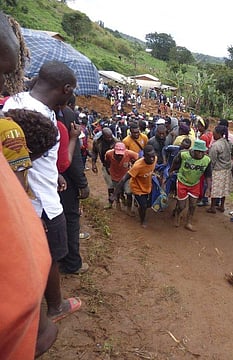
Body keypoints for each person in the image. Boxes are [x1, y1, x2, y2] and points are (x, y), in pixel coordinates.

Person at [4, 60, 83, 325]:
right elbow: (38, 156)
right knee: (49, 257)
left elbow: (28, 154)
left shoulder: (15, 102)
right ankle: (53, 307)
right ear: (66, 88)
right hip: (41, 202)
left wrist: (55, 174)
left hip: (23, 193)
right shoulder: (41, 118)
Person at [56, 102, 91, 275]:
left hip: (46, 177)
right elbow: (71, 157)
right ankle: (72, 263)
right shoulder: (67, 115)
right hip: (64, 178)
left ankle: (60, 258)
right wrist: (82, 184)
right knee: (70, 218)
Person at [170, 139, 212, 231]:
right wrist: (171, 171)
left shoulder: (207, 160)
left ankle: (188, 222)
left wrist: (208, 188)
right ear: (194, 150)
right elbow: (175, 163)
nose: (200, 154)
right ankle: (177, 214)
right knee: (182, 205)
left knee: (193, 205)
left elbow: (208, 175)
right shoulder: (183, 154)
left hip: (194, 184)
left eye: (202, 152)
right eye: (199, 152)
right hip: (182, 181)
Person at [111, 144, 156, 227]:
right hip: (137, 188)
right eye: (150, 157)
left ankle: (139, 204)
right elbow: (124, 179)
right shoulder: (137, 166)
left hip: (147, 186)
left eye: (153, 156)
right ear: (144, 156)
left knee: (149, 204)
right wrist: (114, 194)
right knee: (143, 206)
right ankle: (143, 221)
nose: (152, 159)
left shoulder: (154, 159)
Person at [104, 142, 139, 211]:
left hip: (126, 176)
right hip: (115, 176)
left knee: (129, 192)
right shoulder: (109, 154)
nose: (120, 156)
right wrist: (108, 170)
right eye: (118, 154)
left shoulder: (129, 153)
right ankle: (118, 203)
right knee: (117, 191)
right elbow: (106, 162)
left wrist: (134, 165)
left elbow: (138, 158)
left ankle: (129, 209)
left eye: (121, 154)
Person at [207, 125, 233, 214]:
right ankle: (222, 206)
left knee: (215, 188)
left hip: (218, 169)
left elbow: (212, 160)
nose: (213, 135)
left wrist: (209, 172)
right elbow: (232, 154)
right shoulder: (229, 143)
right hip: (227, 168)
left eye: (214, 133)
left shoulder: (216, 145)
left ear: (218, 134)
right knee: (224, 188)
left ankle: (212, 207)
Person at [91, 127, 118, 208]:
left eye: (111, 137)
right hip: (106, 166)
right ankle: (110, 203)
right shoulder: (97, 142)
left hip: (116, 166)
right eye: (107, 137)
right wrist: (93, 163)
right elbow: (94, 152)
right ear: (103, 136)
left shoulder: (116, 141)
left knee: (118, 184)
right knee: (110, 185)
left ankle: (119, 201)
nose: (110, 139)